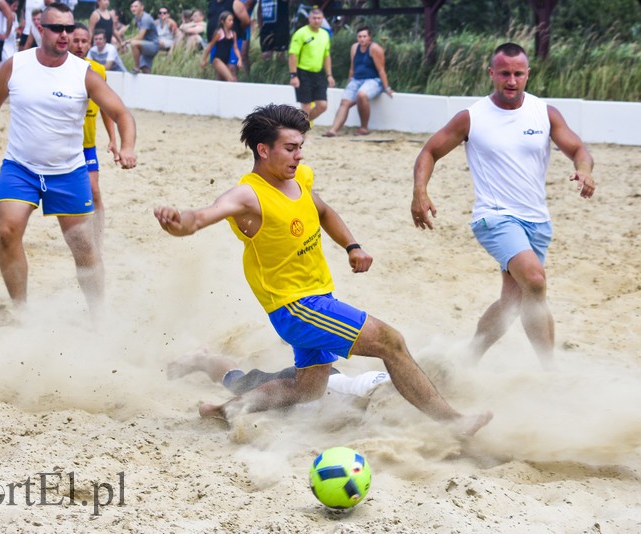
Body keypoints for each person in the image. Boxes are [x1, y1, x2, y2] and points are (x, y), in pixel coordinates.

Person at [154, 103, 492, 437]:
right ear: (263, 149)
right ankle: (454, 423)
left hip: (317, 295)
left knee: (308, 389)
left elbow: (324, 211)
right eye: (290, 148)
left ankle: (224, 411)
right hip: (297, 307)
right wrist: (177, 222)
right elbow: (200, 217)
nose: (299, 155)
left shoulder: (297, 178)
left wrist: (352, 246)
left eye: (300, 146)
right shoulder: (248, 195)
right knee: (391, 342)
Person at [411, 42, 596, 370]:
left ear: (528, 74)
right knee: (535, 280)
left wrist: (584, 170)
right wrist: (420, 191)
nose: (511, 80)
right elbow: (429, 152)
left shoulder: (544, 112)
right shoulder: (472, 117)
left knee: (514, 299)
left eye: (518, 74)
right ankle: (551, 371)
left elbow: (578, 148)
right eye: (505, 73)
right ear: (491, 74)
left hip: (537, 221)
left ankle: (469, 358)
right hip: (493, 218)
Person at [0, 2, 137, 313]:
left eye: (69, 28)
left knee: (84, 247)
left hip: (68, 172)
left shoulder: (83, 73)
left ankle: (98, 316)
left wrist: (126, 146)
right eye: (57, 28)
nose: (64, 34)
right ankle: (21, 312)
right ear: (40, 29)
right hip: (20, 168)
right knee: (8, 231)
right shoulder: (15, 65)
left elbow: (120, 112)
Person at [168, 348, 392, 401]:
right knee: (237, 384)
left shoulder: (387, 392)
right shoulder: (377, 389)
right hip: (294, 386)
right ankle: (203, 359)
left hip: (321, 385)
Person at [70, 22, 118, 252]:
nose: (80, 45)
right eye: (75, 40)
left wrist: (113, 139)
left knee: (94, 191)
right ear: (67, 40)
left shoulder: (97, 70)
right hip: (60, 147)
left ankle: (97, 242)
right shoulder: (58, 68)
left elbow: (106, 107)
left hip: (87, 146)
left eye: (84, 41)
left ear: (90, 43)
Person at [323, 26, 394, 138]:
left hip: (373, 80)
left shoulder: (375, 48)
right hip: (356, 79)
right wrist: (349, 81)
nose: (362, 39)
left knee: (361, 95)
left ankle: (364, 127)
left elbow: (381, 70)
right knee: (345, 102)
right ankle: (333, 130)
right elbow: (352, 67)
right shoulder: (354, 48)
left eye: (364, 36)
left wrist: (387, 88)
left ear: (369, 37)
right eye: (360, 36)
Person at [288, 7, 334, 123]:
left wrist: (329, 75)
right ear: (309, 18)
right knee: (306, 106)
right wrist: (293, 75)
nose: (317, 20)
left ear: (322, 19)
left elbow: (326, 56)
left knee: (322, 105)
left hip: (318, 73)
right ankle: (305, 133)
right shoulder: (301, 33)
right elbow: (293, 54)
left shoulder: (325, 34)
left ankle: (300, 124)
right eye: (314, 18)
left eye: (319, 18)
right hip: (303, 72)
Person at [205, 0, 249, 76]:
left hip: (231, 42)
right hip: (216, 42)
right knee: (219, 71)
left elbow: (246, 21)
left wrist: (235, 32)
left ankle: (234, 87)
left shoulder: (235, 3)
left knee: (231, 69)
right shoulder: (211, 3)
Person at [200, 10, 241, 82]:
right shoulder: (219, 33)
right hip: (217, 60)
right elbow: (210, 46)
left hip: (226, 61)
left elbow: (235, 47)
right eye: (229, 20)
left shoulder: (233, 34)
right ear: (223, 22)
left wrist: (239, 59)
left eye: (232, 20)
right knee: (231, 79)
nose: (232, 22)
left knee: (221, 80)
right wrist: (204, 60)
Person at [124, 0, 157, 73]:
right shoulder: (137, 18)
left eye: (136, 6)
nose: (133, 8)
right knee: (145, 69)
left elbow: (140, 37)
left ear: (142, 7)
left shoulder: (145, 18)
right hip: (146, 44)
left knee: (133, 44)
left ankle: (136, 68)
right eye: (132, 7)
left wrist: (127, 41)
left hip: (153, 45)